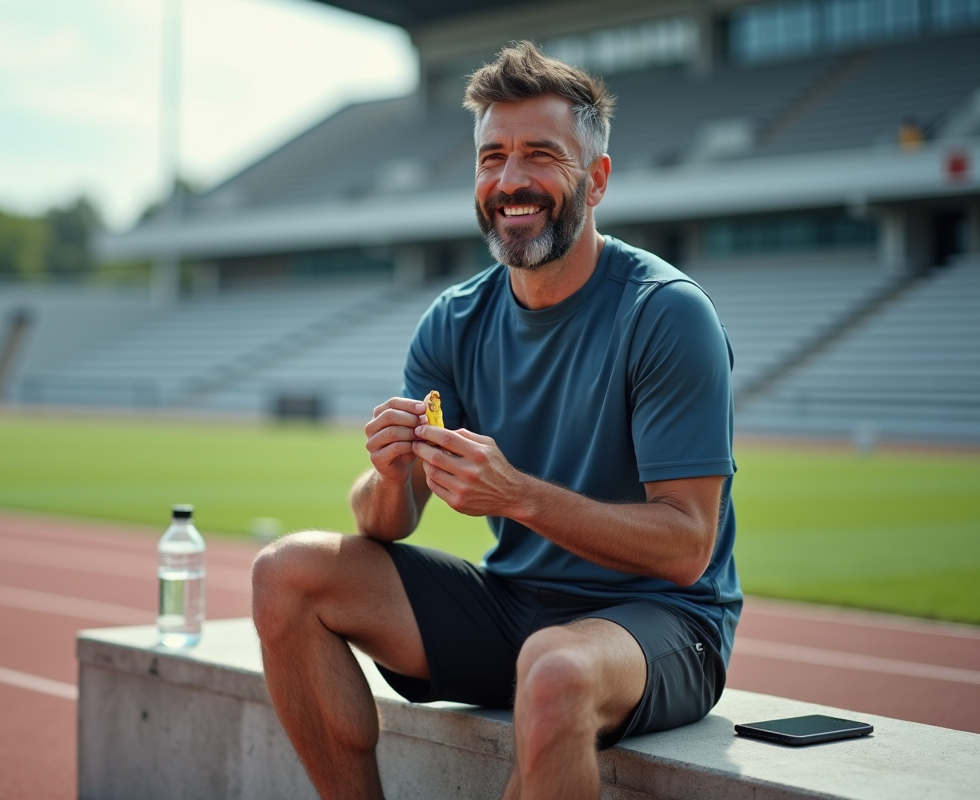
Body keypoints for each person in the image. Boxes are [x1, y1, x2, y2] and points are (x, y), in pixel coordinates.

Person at [251, 41, 740, 800]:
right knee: (284, 573)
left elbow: (685, 546)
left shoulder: (665, 314)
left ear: (597, 179)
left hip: (661, 621)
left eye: (540, 155)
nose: (511, 181)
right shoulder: (453, 320)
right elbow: (390, 520)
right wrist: (388, 474)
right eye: (492, 157)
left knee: (552, 672)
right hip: (515, 605)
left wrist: (519, 497)